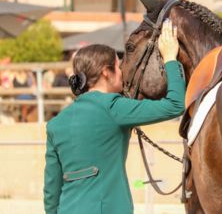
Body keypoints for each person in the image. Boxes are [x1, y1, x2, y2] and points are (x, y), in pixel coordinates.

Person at [43, 19, 185, 214]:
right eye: (118, 67)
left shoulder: (56, 124)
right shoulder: (114, 107)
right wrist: (170, 58)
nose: (122, 72)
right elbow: (176, 105)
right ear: (106, 73)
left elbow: (51, 190)